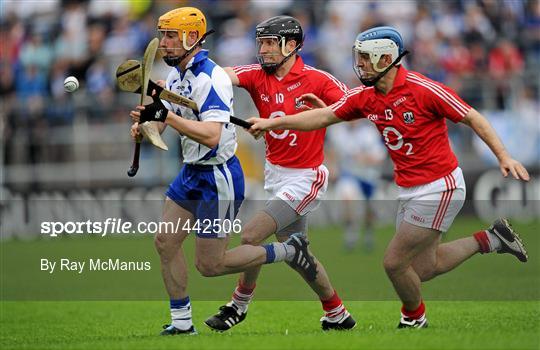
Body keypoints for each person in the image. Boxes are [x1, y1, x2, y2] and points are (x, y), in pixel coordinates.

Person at [247, 26, 530, 328]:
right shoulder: (366, 96)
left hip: (440, 186)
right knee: (423, 267)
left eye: (367, 58)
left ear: (387, 58)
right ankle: (491, 239)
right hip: (408, 188)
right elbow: (323, 116)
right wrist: (271, 123)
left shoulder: (423, 89)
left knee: (394, 263)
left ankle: (413, 320)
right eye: (360, 58)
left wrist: (503, 156)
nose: (361, 64)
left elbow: (472, 116)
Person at [129, 7, 318, 336]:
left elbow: (212, 136)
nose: (164, 43)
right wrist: (148, 125)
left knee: (210, 265)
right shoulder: (177, 76)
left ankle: (291, 250)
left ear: (191, 37)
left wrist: (168, 118)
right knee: (165, 242)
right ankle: (182, 324)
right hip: (191, 172)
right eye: (162, 35)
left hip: (218, 177)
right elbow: (166, 118)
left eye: (171, 36)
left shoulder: (210, 78)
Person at [204, 16, 356, 332]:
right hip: (275, 175)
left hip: (306, 177)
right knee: (298, 255)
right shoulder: (258, 75)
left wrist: (323, 112)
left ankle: (238, 306)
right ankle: (337, 313)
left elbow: (355, 107)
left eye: (270, 43)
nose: (262, 50)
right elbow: (218, 76)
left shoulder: (317, 79)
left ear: (291, 45)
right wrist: (181, 78)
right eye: (260, 42)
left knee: (251, 236)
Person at [326, 120, 386, 252]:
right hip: (349, 174)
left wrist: (364, 158)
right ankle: (351, 234)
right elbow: (330, 150)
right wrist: (332, 167)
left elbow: (379, 155)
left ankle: (369, 234)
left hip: (369, 175)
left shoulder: (369, 132)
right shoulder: (337, 130)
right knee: (348, 198)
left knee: (371, 208)